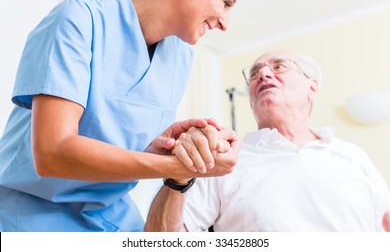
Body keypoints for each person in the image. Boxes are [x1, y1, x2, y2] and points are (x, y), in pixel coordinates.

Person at [0, 0, 250, 231]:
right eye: (226, 3)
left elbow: (113, 139)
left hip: (111, 215)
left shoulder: (181, 56)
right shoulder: (80, 18)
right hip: (33, 210)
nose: (225, 24)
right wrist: (180, 167)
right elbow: (52, 152)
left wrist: (169, 148)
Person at [144, 50, 390, 232]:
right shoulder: (222, 159)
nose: (262, 74)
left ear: (312, 87)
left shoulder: (353, 156)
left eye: (280, 67)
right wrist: (179, 175)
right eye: (254, 73)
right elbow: (159, 241)